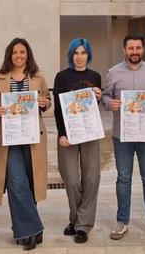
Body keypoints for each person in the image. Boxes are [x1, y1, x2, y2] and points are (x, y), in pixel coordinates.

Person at [0, 38, 51, 250]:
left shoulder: (38, 77)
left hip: (32, 137)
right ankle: (32, 230)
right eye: (15, 52)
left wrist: (44, 103)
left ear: (28, 54)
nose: (19, 56)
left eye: (22, 52)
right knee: (16, 183)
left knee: (31, 182)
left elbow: (47, 100)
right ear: (9, 55)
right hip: (9, 139)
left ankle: (27, 231)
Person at [101, 33, 145, 241]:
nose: (135, 52)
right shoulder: (113, 73)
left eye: (138, 48)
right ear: (124, 50)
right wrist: (109, 103)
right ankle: (122, 221)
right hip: (123, 135)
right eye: (131, 48)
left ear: (143, 49)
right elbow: (105, 96)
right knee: (123, 178)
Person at [52, 38, 103, 244]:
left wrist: (98, 96)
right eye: (76, 53)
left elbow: (94, 106)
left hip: (90, 132)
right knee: (71, 179)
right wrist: (62, 133)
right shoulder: (62, 77)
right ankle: (75, 217)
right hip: (68, 134)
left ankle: (83, 225)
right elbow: (57, 108)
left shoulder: (95, 76)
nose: (80, 57)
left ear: (88, 55)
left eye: (83, 53)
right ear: (71, 55)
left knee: (91, 178)